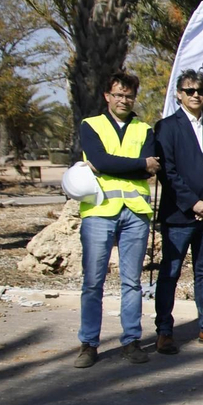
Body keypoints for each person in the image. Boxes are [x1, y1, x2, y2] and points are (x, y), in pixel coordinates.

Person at [74, 71, 159, 368]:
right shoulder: (91, 125)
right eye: (118, 94)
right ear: (107, 96)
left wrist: (118, 166)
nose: (124, 100)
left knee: (132, 282)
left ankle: (131, 340)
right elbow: (100, 159)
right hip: (99, 211)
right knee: (93, 282)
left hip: (135, 212)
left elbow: (149, 168)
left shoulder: (144, 129)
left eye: (129, 95)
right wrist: (138, 164)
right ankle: (88, 344)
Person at [153, 69, 203, 350]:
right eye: (189, 91)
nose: (196, 95)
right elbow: (168, 172)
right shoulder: (167, 127)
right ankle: (164, 330)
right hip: (179, 215)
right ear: (179, 94)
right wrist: (194, 203)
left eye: (200, 90)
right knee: (171, 273)